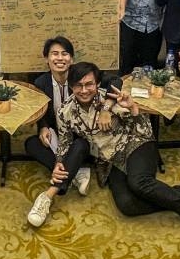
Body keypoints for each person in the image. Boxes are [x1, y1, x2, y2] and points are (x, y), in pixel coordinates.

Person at [50, 62, 180, 250]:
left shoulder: (109, 100)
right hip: (110, 161)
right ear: (71, 86)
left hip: (136, 144)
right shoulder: (64, 112)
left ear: (97, 84)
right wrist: (59, 163)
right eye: (78, 85)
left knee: (139, 183)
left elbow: (143, 129)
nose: (84, 90)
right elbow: (65, 141)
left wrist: (133, 108)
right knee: (127, 205)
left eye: (89, 84)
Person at [24, 37, 118, 226]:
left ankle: (49, 195)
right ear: (46, 59)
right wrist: (42, 126)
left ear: (72, 59)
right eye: (54, 54)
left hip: (83, 138)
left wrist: (106, 108)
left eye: (64, 53)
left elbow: (116, 81)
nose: (60, 58)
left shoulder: (81, 77)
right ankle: (75, 172)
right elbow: (40, 109)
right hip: (59, 135)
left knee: (80, 144)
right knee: (30, 144)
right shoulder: (40, 82)